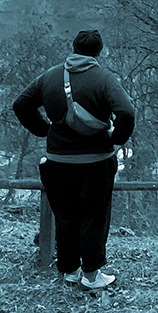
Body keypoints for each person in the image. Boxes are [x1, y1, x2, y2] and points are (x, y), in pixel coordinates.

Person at [13, 30, 135, 290]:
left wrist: (44, 129)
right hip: (96, 162)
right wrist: (116, 139)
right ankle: (91, 276)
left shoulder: (51, 76)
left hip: (57, 162)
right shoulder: (103, 79)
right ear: (99, 51)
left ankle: (69, 271)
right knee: (94, 217)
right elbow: (126, 112)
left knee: (66, 217)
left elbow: (21, 104)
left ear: (73, 48)